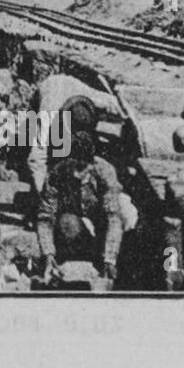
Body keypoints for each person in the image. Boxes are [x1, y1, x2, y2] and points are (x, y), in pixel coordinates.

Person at [37, 124, 126, 289]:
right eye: (74, 165)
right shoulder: (56, 175)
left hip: (101, 217)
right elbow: (45, 217)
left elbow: (113, 217)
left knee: (126, 215)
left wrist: (110, 258)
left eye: (82, 167)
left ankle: (115, 258)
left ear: (91, 164)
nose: (77, 173)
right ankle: (83, 252)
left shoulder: (105, 173)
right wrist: (48, 254)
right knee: (67, 224)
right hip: (77, 219)